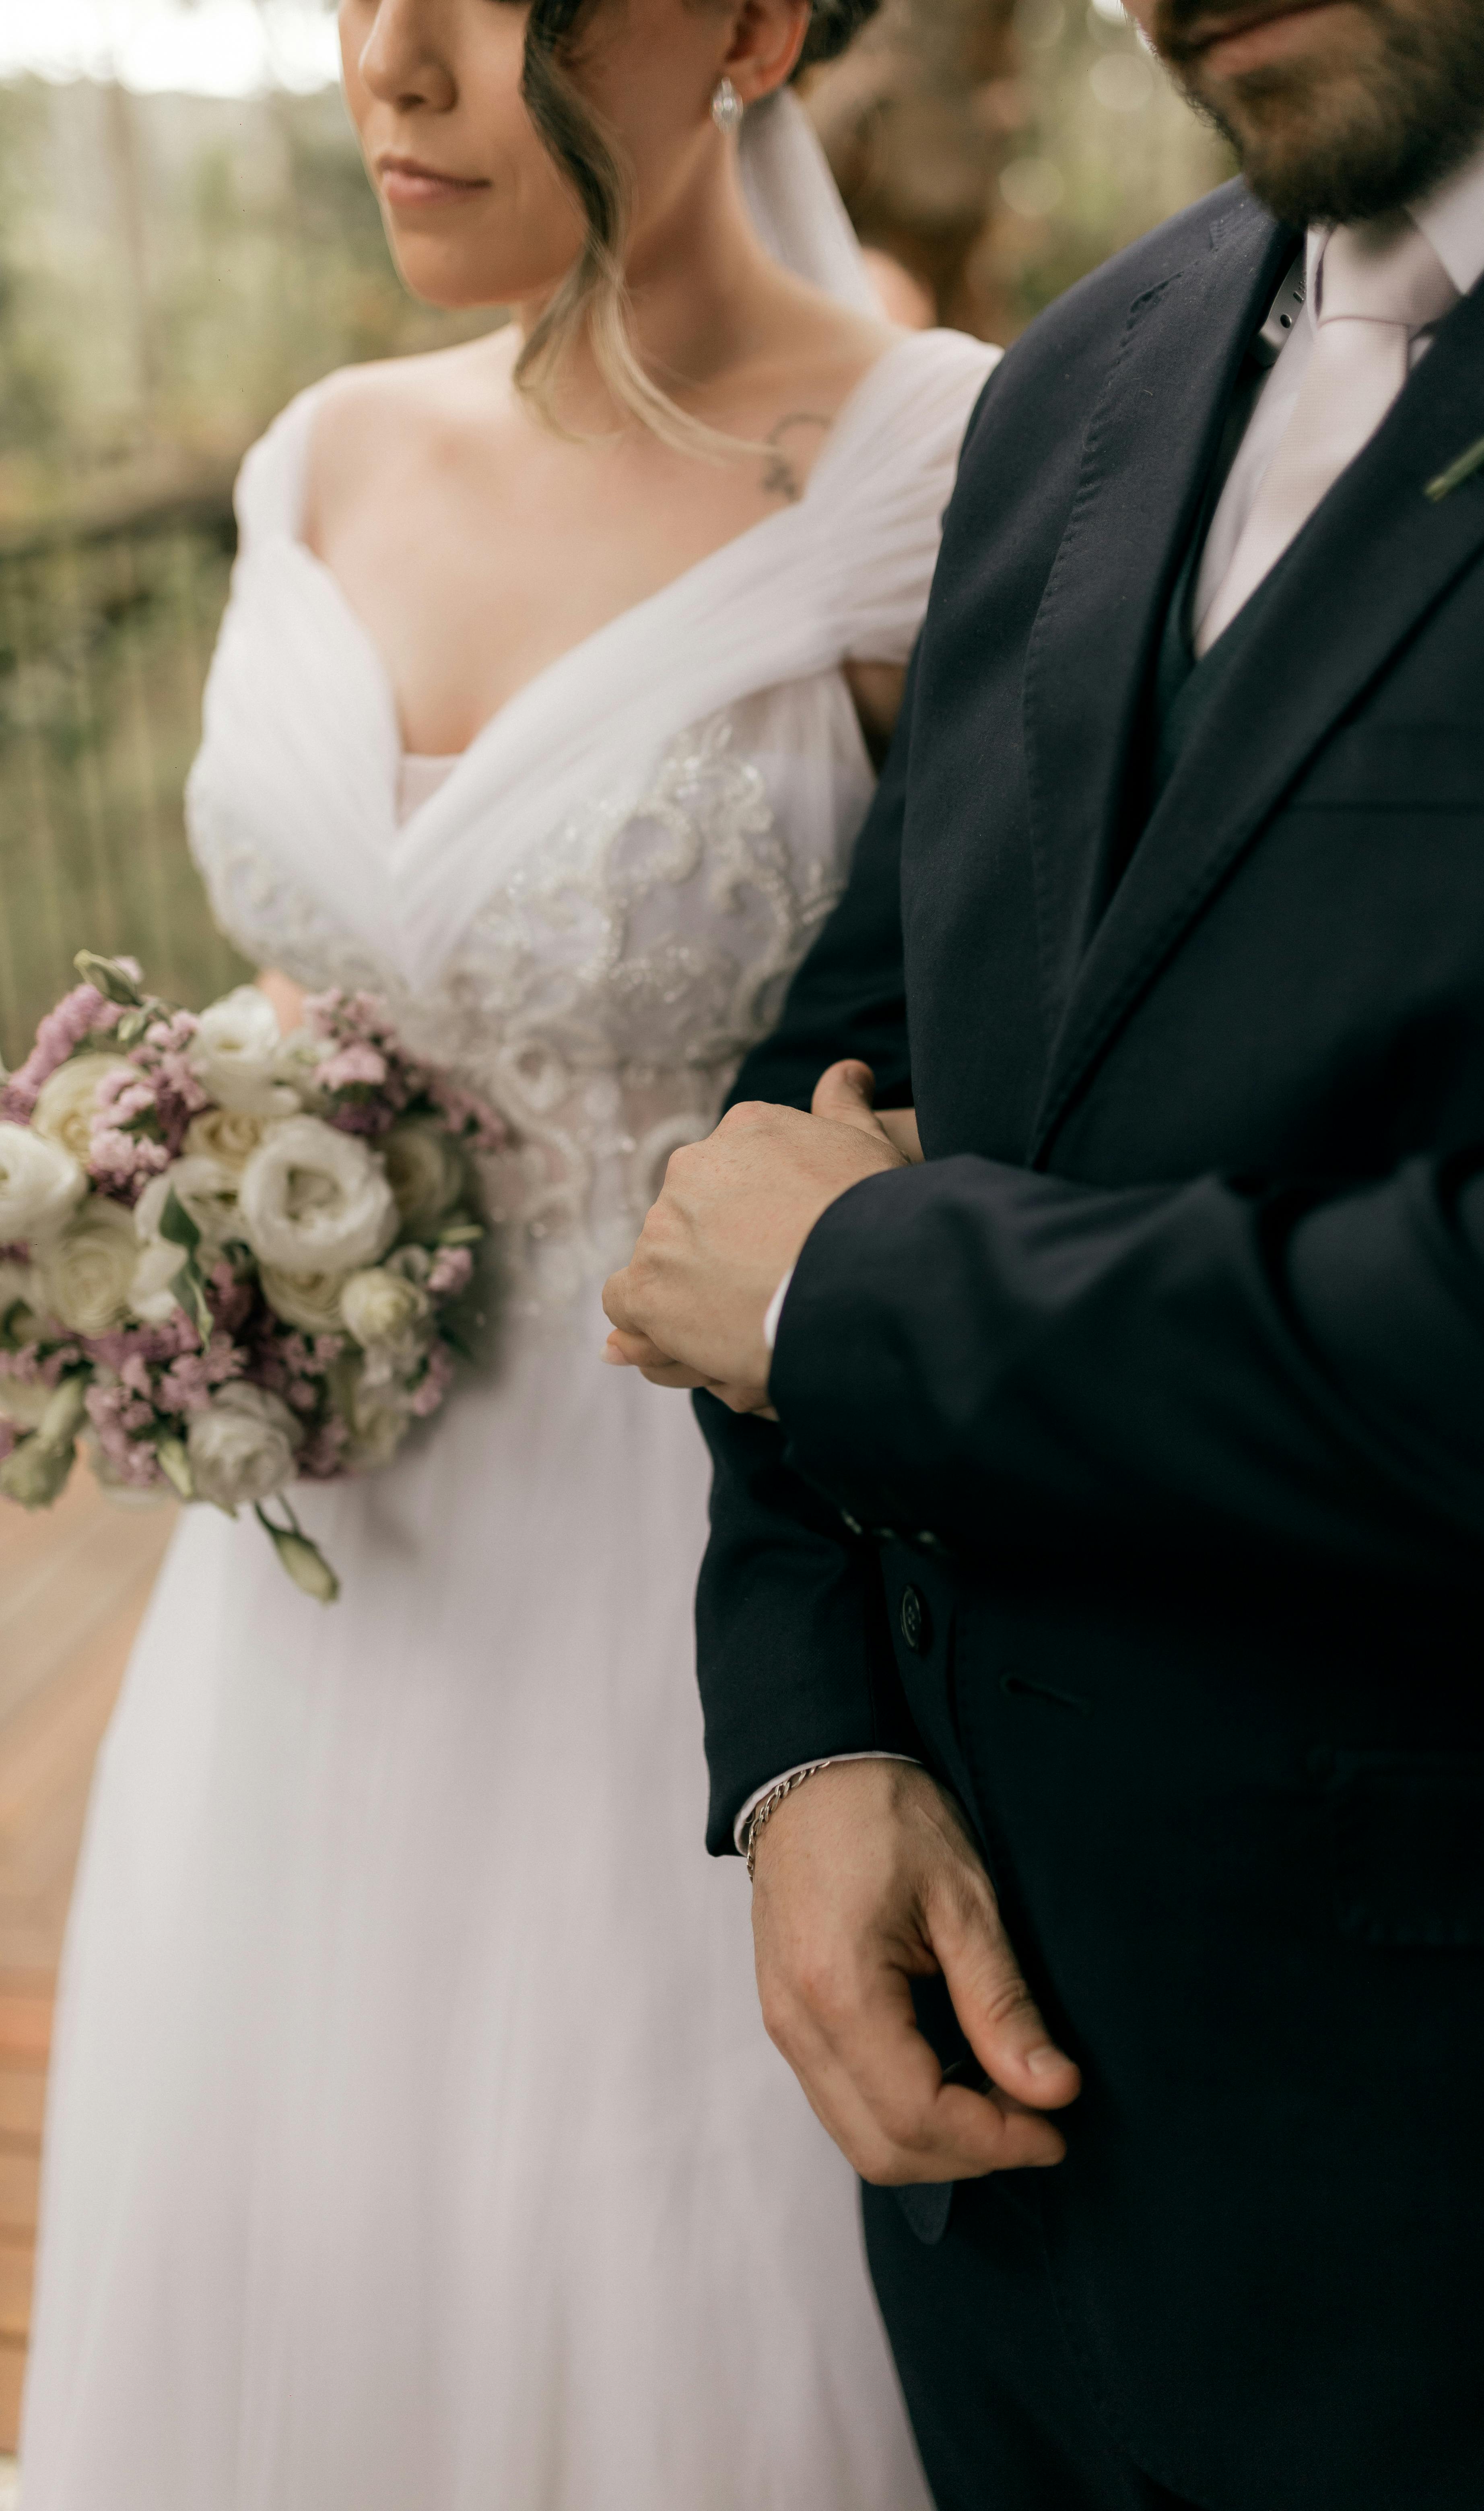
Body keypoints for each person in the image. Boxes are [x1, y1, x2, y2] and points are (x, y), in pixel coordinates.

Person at [604, 0, 1484, 2503]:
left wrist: (856, 1311)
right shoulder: (1095, 361)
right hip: (1002, 2198)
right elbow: (833, 1087)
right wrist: (814, 1734)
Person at [22, 5, 997, 2506]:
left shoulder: (937, 469)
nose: (406, 68)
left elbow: (988, 1058)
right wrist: (176, 1166)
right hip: (309, 1596)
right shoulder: (322, 459)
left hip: (689, 1583)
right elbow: (333, 978)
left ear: (763, 23)